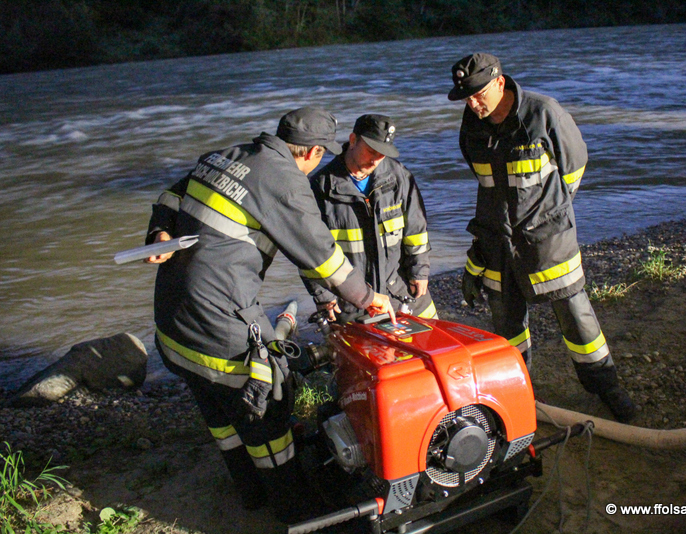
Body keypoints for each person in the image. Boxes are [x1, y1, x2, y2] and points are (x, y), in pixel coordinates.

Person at [143, 107, 395, 521]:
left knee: (220, 414)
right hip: (217, 327)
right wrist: (370, 298)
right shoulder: (285, 182)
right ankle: (294, 510)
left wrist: (159, 231)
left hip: (172, 325)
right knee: (269, 409)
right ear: (313, 152)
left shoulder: (224, 156)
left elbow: (170, 195)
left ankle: (250, 495)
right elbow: (323, 259)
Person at [447, 53, 636, 423]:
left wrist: (548, 212)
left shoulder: (544, 113)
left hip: (548, 240)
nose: (473, 104)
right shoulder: (471, 127)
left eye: (479, 95)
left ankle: (607, 386)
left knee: (577, 319)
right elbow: (486, 187)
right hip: (497, 243)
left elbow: (574, 166)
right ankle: (518, 394)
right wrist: (477, 256)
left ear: (500, 83)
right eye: (466, 98)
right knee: (507, 328)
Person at [303, 114, 437, 322]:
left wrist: (420, 271)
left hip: (401, 291)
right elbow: (308, 249)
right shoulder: (321, 188)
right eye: (371, 151)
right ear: (353, 140)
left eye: (382, 154)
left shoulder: (399, 177)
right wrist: (324, 296)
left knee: (437, 339)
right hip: (352, 302)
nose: (375, 159)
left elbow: (416, 230)